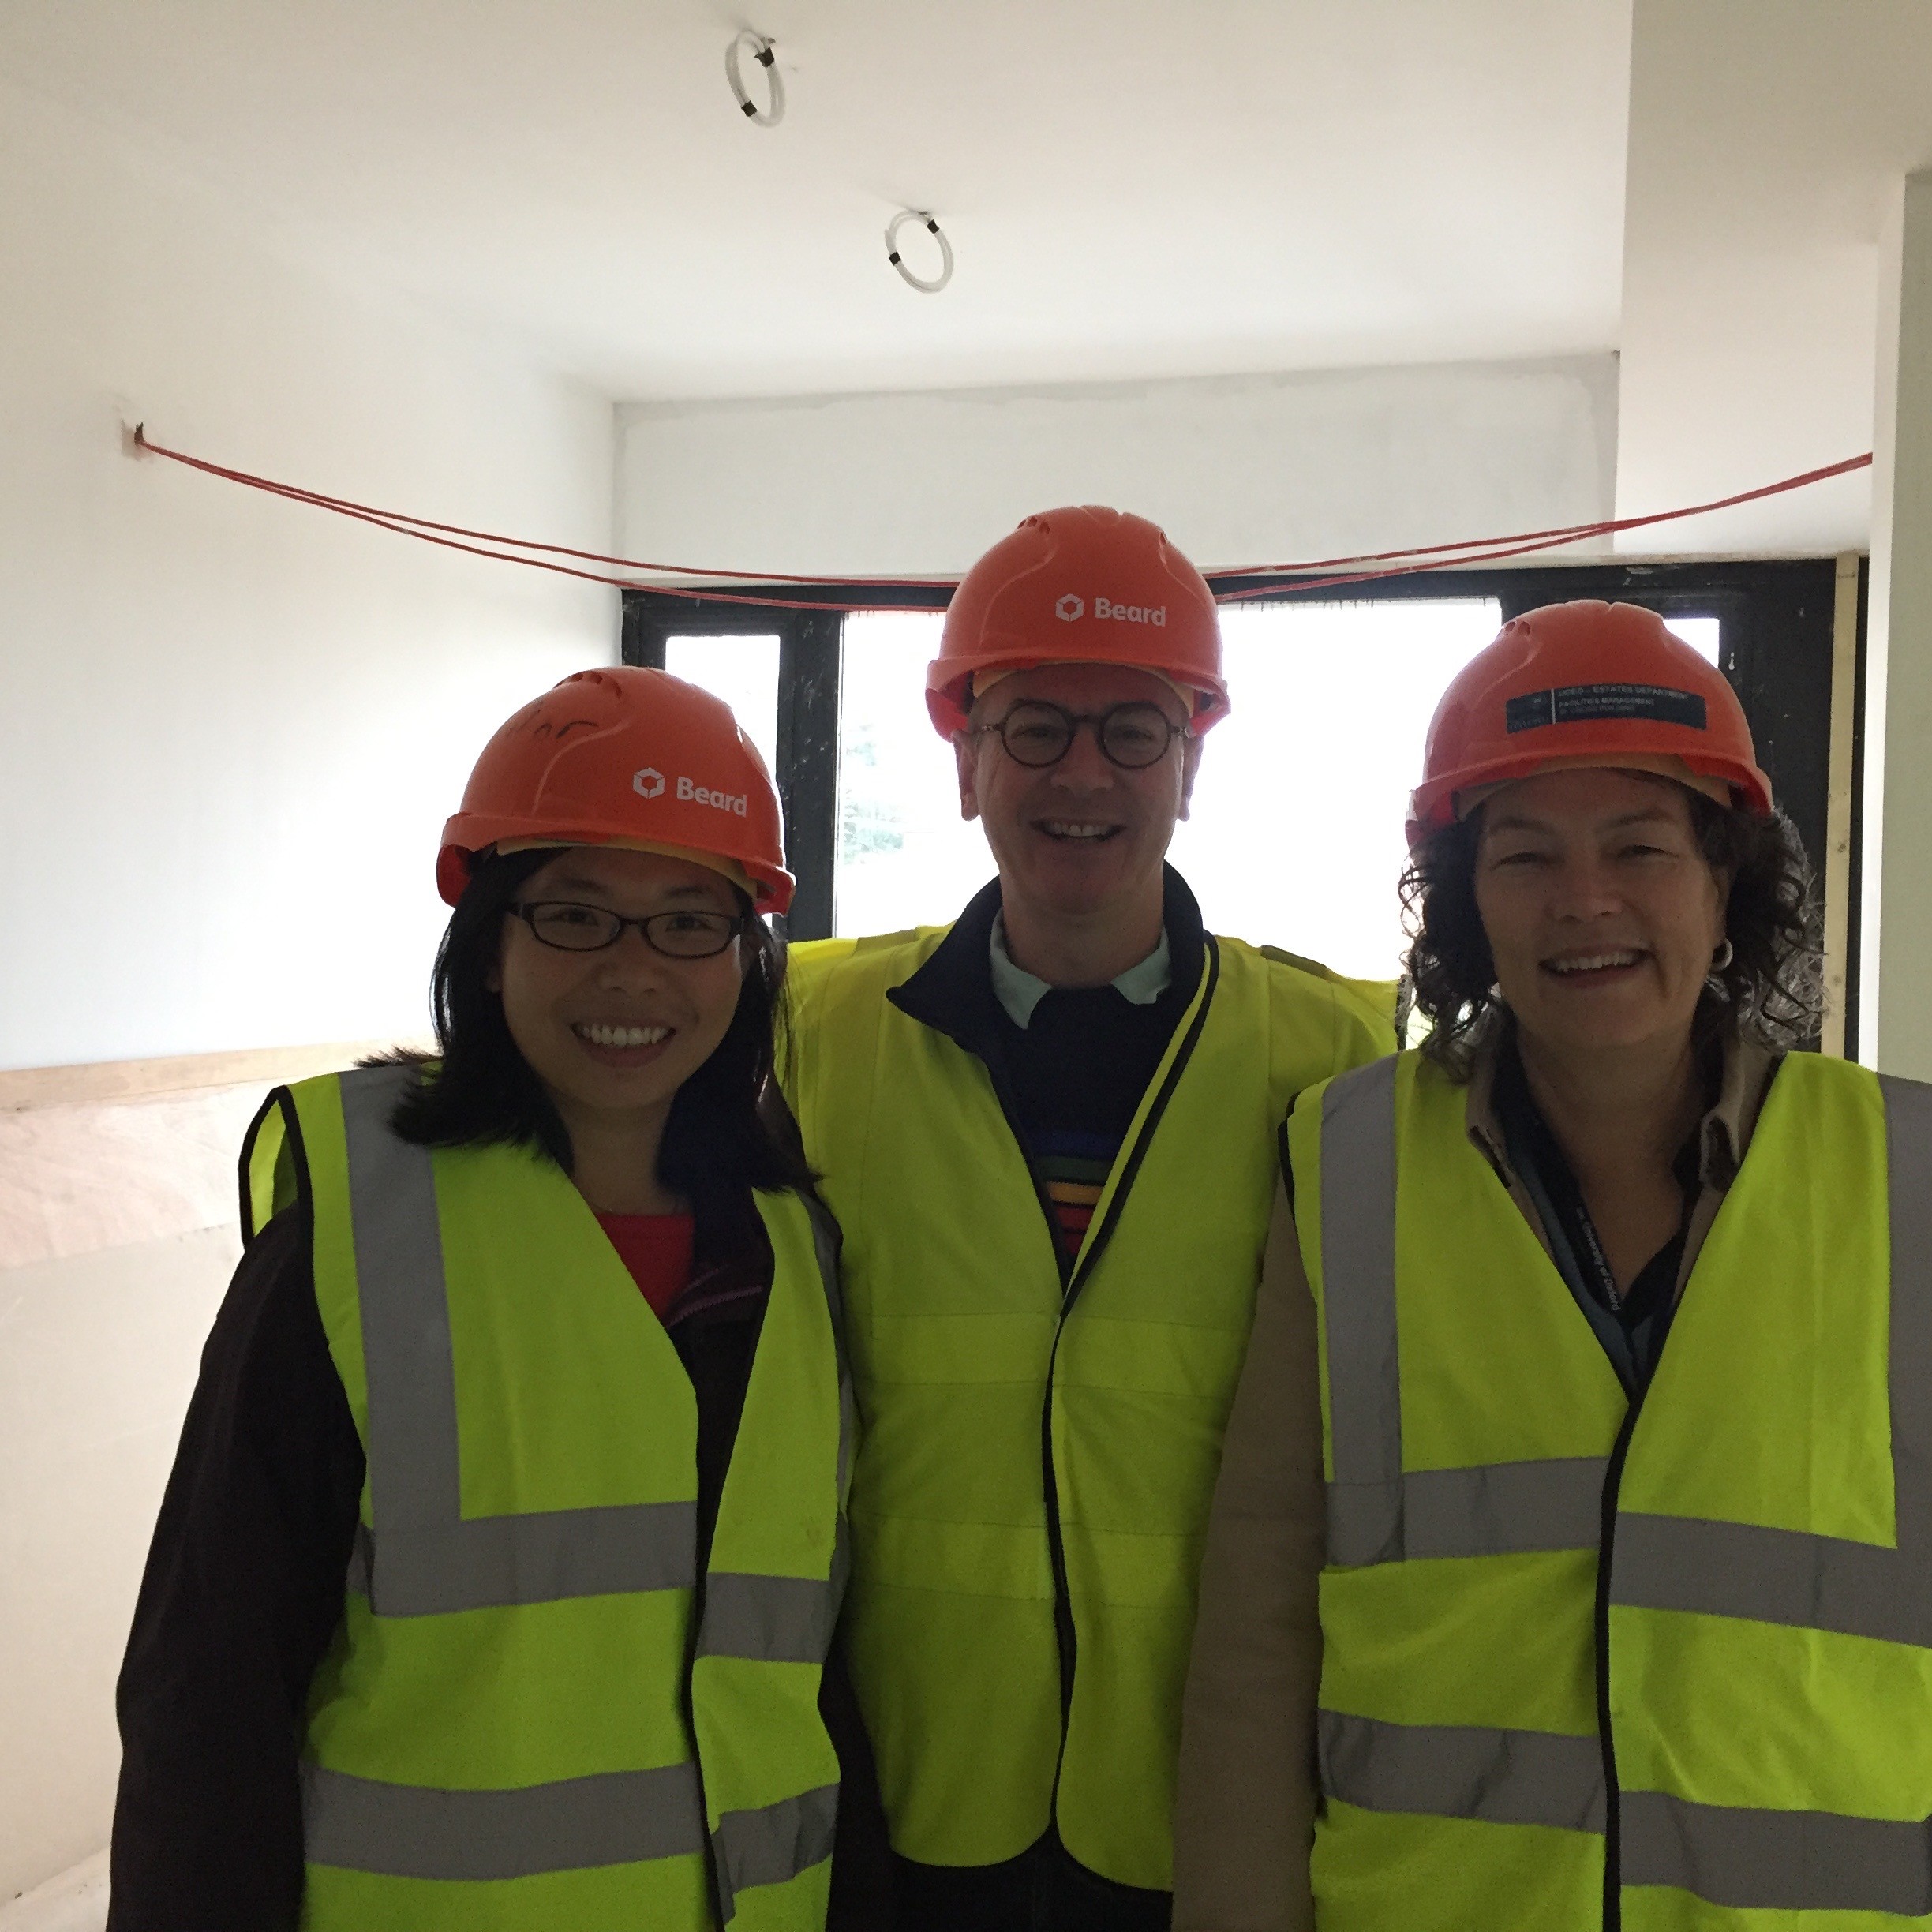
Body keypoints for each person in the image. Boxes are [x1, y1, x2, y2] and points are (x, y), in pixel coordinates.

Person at [1171, 600, 1932, 1930]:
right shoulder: (1348, 1168)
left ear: (1723, 884)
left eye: (1639, 846)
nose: (1586, 902)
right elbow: (1260, 1630)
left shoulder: (1904, 1176)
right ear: (1468, 899)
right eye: (1523, 857)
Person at [109, 668, 882, 1931]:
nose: (635, 972)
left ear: (748, 954)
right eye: (577, 914)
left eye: (690, 920)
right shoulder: (358, 1237)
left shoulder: (790, 1252)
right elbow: (210, 1690)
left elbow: (809, 1670)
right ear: (490, 937)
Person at [783, 506, 1396, 1930]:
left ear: (1193, 761)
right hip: (900, 1774)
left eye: (1133, 730)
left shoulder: (1338, 1053)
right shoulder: (816, 1030)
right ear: (962, 755)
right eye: (1034, 725)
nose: (1082, 773)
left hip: (1205, 1785)